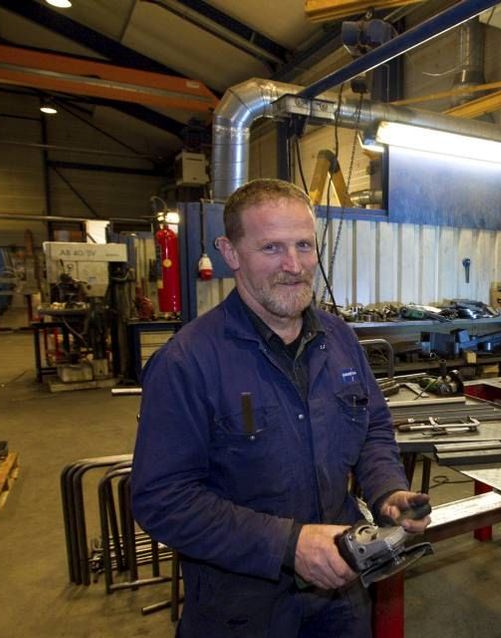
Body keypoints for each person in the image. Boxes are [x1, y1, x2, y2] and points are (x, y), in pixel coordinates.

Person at [131, 178, 429, 636]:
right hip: (242, 608)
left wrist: (387, 490)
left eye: (304, 246)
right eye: (272, 248)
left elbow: (372, 427)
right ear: (230, 253)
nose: (294, 266)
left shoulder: (341, 339)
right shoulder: (186, 362)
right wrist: (289, 546)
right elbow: (162, 499)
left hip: (341, 594)